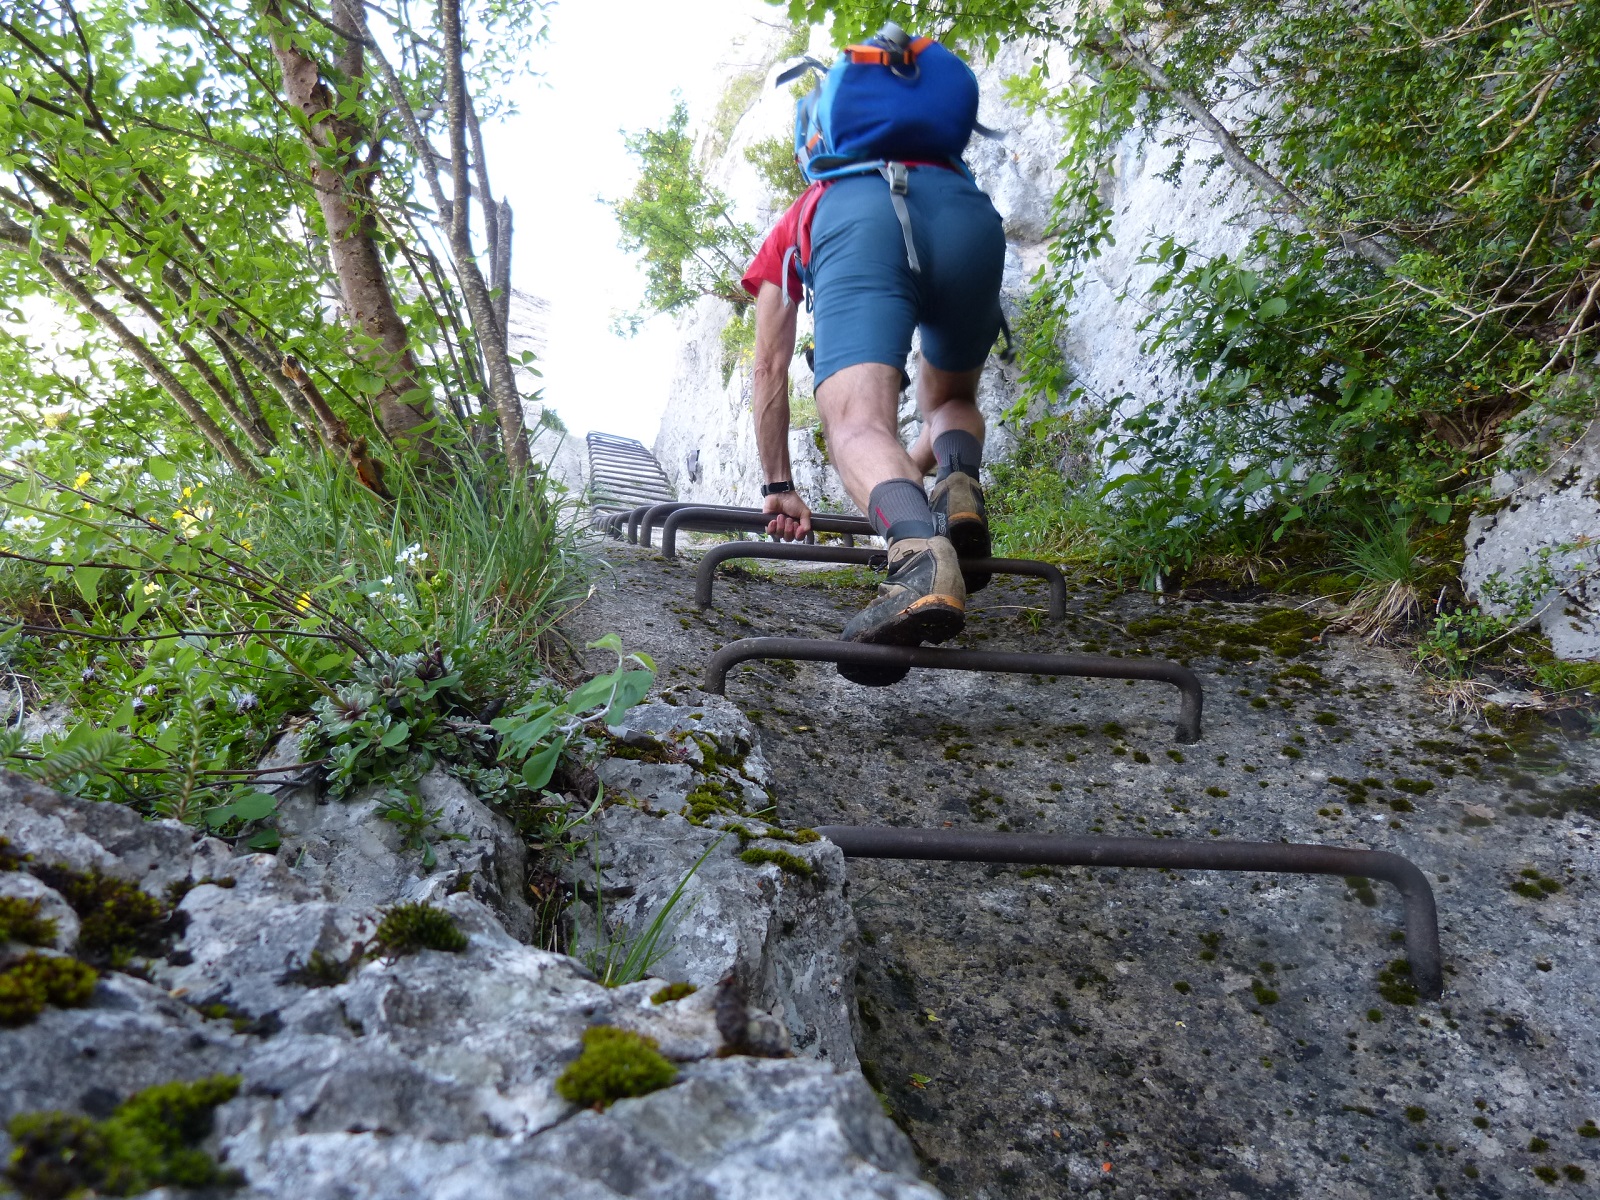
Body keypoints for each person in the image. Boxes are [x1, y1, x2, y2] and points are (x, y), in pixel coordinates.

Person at [741, 156, 1005, 670]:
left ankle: (919, 561)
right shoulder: (942, 172)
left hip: (860, 223)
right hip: (970, 219)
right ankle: (958, 485)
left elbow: (768, 368)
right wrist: (902, 476)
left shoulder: (810, 209)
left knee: (858, 424)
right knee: (951, 402)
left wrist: (778, 486)